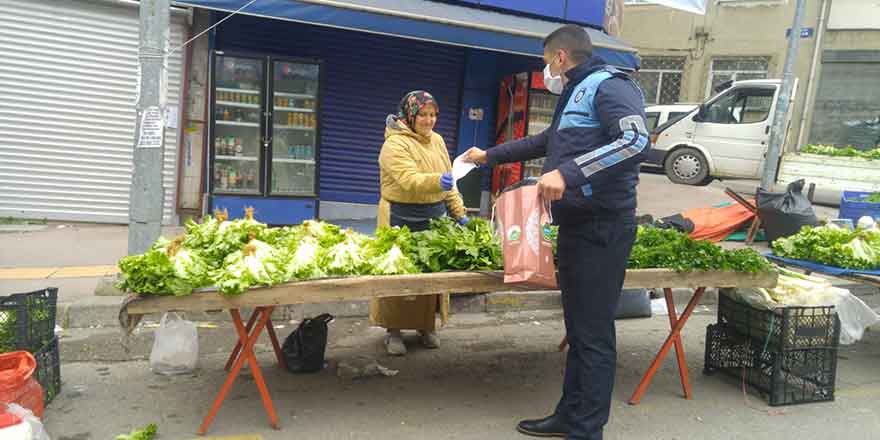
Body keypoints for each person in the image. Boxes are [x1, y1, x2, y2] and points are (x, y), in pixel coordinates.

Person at [464, 25, 650, 440]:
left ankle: (588, 430)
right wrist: (487, 157)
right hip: (576, 225)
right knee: (580, 330)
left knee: (594, 335)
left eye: (546, 60)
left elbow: (636, 141)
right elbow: (545, 141)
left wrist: (568, 173)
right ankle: (571, 415)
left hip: (603, 226)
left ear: (560, 58)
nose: (545, 68)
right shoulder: (574, 94)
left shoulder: (609, 86)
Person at [373, 90, 469, 356]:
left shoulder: (437, 141)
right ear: (410, 115)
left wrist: (458, 212)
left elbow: (450, 178)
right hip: (400, 218)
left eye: (433, 115)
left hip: (433, 217)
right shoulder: (394, 144)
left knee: (431, 276)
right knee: (398, 275)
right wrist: (436, 181)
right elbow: (408, 179)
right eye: (423, 115)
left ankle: (426, 326)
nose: (429, 120)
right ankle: (393, 330)